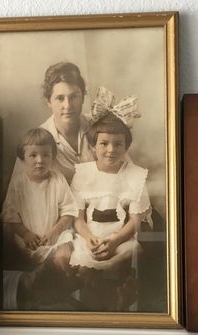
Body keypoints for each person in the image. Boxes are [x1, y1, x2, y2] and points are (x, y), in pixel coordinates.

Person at [69, 87, 152, 310]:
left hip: (120, 239)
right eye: (104, 143)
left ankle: (118, 301)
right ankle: (90, 308)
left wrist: (115, 240)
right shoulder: (83, 174)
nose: (111, 150)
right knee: (86, 270)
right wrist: (88, 238)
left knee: (129, 256)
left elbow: (135, 221)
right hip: (90, 238)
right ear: (93, 146)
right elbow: (77, 217)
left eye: (118, 144)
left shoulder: (134, 176)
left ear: (126, 146)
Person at [1, 127, 79, 309]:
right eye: (33, 155)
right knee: (34, 270)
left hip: (54, 235)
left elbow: (68, 211)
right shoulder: (19, 184)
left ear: (53, 156)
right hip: (27, 241)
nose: (40, 160)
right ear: (23, 158)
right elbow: (10, 216)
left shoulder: (57, 179)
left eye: (46, 155)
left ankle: (64, 285)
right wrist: (26, 234)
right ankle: (46, 292)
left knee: (64, 252)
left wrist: (54, 231)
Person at [9, 62, 94, 186]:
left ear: (83, 98)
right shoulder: (36, 141)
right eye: (60, 98)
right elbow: (18, 192)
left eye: (74, 96)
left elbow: (126, 171)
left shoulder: (99, 127)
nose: (68, 105)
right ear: (49, 101)